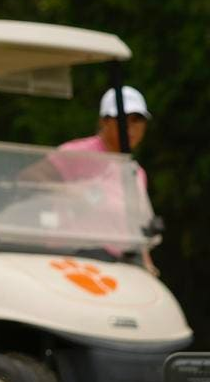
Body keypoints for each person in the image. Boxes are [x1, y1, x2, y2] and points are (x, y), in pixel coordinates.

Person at [31, 86, 157, 274]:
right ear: (104, 122)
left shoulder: (135, 173)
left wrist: (147, 265)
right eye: (122, 120)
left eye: (137, 121)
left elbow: (137, 226)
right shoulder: (78, 152)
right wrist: (70, 192)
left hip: (121, 266)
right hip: (75, 260)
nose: (130, 128)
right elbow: (31, 178)